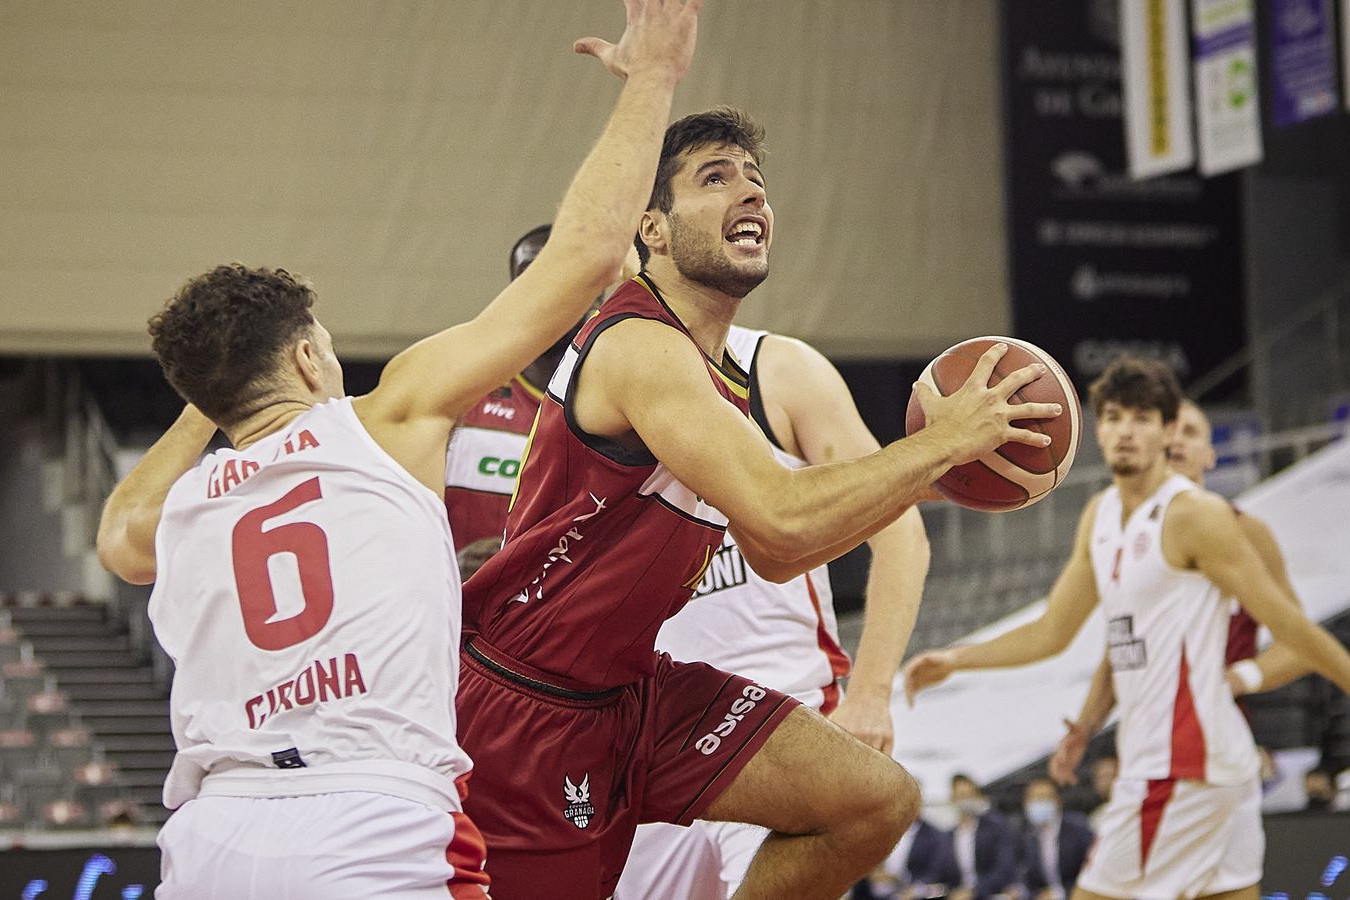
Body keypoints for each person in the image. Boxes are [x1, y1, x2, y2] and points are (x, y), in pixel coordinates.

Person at [93, 1, 703, 895]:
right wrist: (654, 78)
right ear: (307, 356)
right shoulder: (383, 423)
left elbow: (119, 537)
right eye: (325, 344)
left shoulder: (188, 504)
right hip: (368, 818)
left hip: (215, 833)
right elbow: (583, 258)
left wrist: (209, 397)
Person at [456, 101, 1065, 898]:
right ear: (656, 230)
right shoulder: (638, 342)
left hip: (637, 693)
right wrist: (944, 445)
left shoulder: (731, 377)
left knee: (874, 800)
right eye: (716, 178)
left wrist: (929, 470)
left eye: (756, 180)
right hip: (534, 705)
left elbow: (780, 552)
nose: (751, 195)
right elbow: (783, 513)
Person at [902, 356, 1350, 900]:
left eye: (1142, 418)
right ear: (1097, 428)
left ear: (1166, 432)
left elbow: (1290, 625)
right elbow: (1055, 630)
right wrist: (958, 659)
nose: (1125, 430)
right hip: (1203, 764)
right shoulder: (1100, 514)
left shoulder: (1197, 517)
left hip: (1181, 765)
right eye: (1116, 416)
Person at [614, 324, 931, 900]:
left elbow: (900, 531)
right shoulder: (598, 388)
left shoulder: (778, 369)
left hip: (782, 713)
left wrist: (871, 694)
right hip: (655, 731)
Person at [1047, 400, 1313, 787]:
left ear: (1210, 455)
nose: (1176, 443)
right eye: (1170, 431)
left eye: (1190, 433)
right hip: (1145, 745)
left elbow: (1301, 644)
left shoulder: (1245, 530)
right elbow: (1122, 647)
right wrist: (1086, 727)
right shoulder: (1127, 532)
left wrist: (1236, 678)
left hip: (1211, 742)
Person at [446, 224, 640, 560]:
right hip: (455, 609)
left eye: (565, 272)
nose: (547, 289)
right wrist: (451, 569)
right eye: (529, 276)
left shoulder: (628, 412)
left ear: (598, 292)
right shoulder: (458, 397)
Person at [905, 774, 1019, 900]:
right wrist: (917, 888)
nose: (966, 800)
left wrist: (974, 891)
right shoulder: (948, 836)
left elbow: (1003, 869)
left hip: (989, 893)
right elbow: (937, 872)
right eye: (961, 796)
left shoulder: (995, 829)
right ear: (953, 799)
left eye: (969, 795)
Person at [1018, 778, 1093, 900]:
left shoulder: (1077, 828)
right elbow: (1029, 880)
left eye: (1043, 797)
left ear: (1057, 801)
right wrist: (1036, 896)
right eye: (1034, 798)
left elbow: (1090, 870)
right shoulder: (1029, 837)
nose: (1038, 802)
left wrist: (1059, 894)